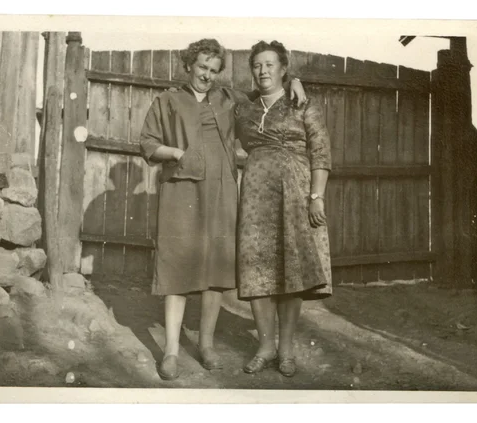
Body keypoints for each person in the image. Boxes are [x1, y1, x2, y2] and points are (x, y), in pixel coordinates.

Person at [139, 38, 307, 381]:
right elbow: (147, 143)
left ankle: (206, 344)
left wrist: (296, 81)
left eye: (214, 71)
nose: (207, 76)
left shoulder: (229, 99)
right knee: (177, 269)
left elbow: (267, 91)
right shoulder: (168, 100)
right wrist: (176, 154)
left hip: (221, 192)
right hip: (181, 192)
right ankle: (171, 351)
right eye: (202, 68)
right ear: (189, 65)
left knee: (215, 272)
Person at [235, 40, 333, 378]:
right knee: (256, 268)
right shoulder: (243, 108)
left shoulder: (302, 104)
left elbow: (320, 152)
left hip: (296, 193)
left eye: (270, 64)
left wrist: (316, 196)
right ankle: (265, 346)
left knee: (294, 270)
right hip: (255, 197)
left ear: (283, 68)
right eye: (257, 65)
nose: (263, 71)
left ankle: (287, 349)